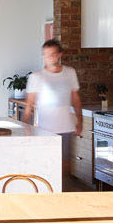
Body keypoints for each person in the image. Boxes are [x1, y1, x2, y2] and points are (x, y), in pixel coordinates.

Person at [23, 37, 82, 169]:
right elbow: (29, 105)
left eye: (51, 54)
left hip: (66, 128)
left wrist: (80, 121)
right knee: (46, 166)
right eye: (45, 55)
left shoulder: (70, 73)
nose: (48, 58)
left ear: (59, 55)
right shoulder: (36, 76)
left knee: (65, 167)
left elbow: (76, 99)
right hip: (44, 130)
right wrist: (26, 127)